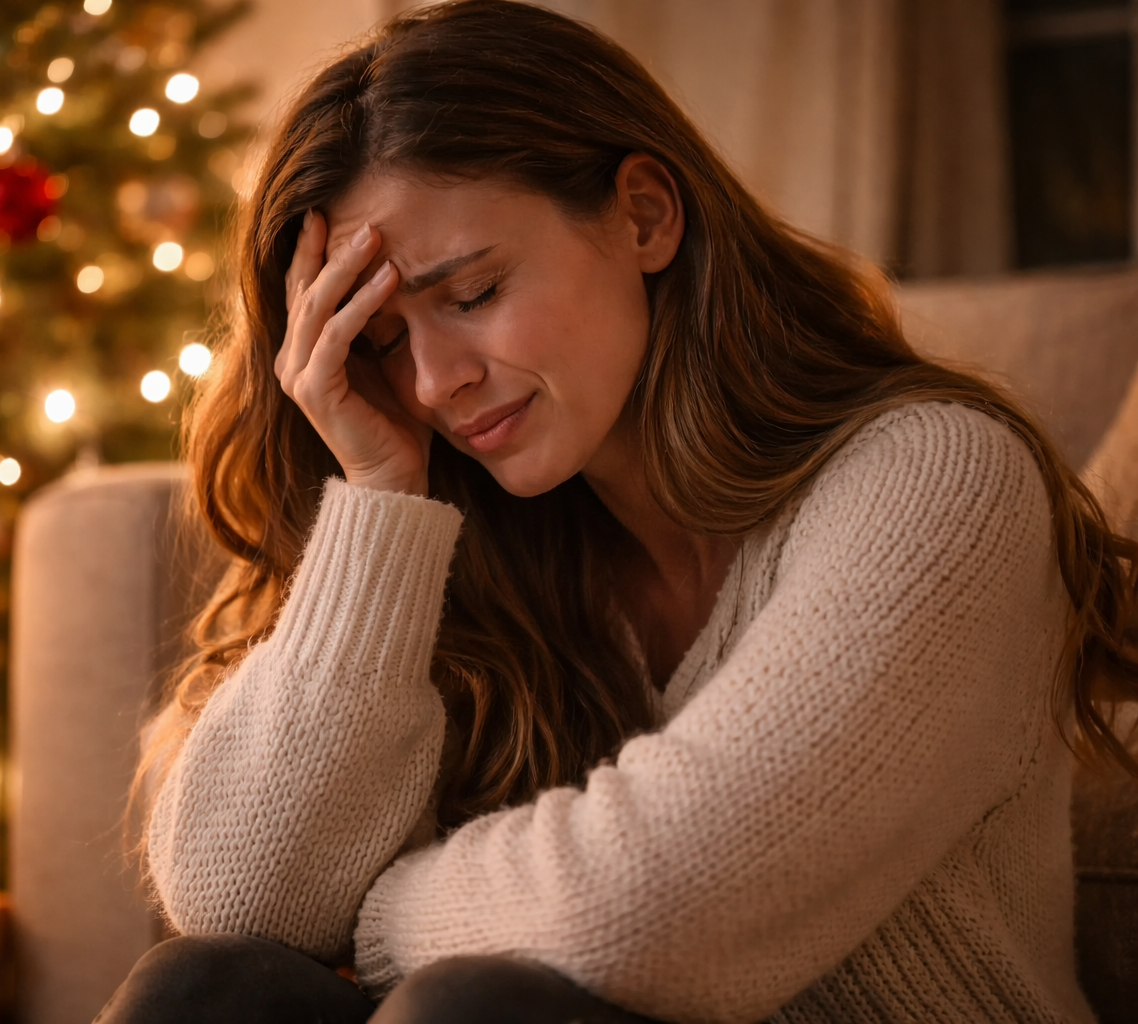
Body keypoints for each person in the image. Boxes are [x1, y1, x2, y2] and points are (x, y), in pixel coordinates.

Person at [99, 2, 1138, 1021]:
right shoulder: (474, 533)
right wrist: (379, 503)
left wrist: (378, 913)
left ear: (645, 215)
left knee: (476, 1004)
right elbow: (244, 903)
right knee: (205, 989)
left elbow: (651, 908)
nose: (430, 385)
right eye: (377, 342)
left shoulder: (938, 480)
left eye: (470, 296)